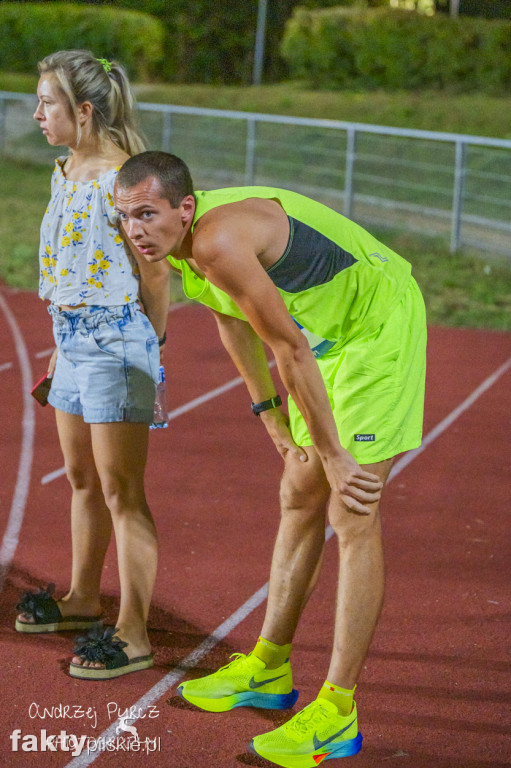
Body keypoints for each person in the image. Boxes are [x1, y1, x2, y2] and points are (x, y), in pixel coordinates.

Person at [114, 151, 426, 765]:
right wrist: (271, 418)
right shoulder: (184, 245)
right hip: (329, 339)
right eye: (125, 218)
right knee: (298, 493)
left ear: (183, 207)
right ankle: (268, 668)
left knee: (352, 508)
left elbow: (285, 345)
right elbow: (234, 323)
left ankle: (337, 710)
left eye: (146, 214)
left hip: (376, 329)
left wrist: (333, 452)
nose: (135, 230)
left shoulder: (219, 240)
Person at [15, 53, 170, 680]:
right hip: (71, 342)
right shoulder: (65, 170)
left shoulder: (124, 182)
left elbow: (156, 271)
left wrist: (150, 350)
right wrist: (60, 344)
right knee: (81, 479)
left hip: (117, 344)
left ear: (82, 110)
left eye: (47, 103)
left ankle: (133, 632)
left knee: (122, 492)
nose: (37, 114)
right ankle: (82, 599)